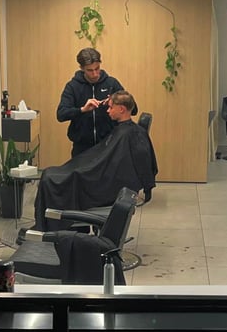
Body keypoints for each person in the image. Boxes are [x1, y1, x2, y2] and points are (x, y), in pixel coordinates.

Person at [34, 90, 158, 229]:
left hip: (103, 182)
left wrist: (82, 172)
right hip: (98, 173)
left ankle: (51, 227)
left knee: (51, 179)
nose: (107, 111)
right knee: (50, 175)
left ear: (122, 109)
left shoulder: (130, 134)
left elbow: (117, 168)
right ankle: (47, 225)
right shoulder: (126, 131)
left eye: (111, 107)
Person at [56, 47, 124, 156]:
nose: (95, 74)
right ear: (82, 68)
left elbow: (132, 108)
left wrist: (116, 101)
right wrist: (82, 110)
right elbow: (61, 114)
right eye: (90, 70)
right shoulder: (73, 86)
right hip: (82, 148)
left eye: (97, 68)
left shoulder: (111, 83)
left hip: (109, 146)